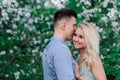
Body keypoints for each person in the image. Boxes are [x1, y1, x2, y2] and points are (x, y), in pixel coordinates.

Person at [42, 8, 77, 80]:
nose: (75, 29)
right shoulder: (61, 49)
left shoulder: (48, 48)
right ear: (63, 26)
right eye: (74, 25)